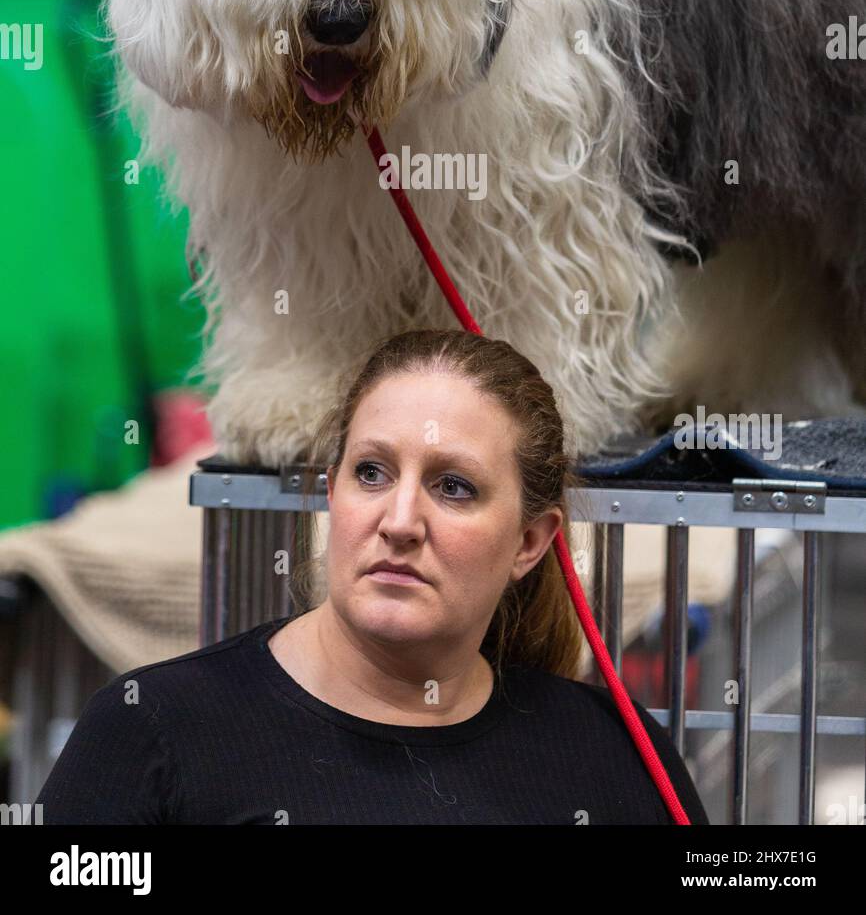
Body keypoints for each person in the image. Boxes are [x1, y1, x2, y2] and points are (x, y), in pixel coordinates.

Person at [37, 329, 710, 825]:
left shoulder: (608, 755)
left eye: (453, 486)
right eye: (372, 473)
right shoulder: (152, 732)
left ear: (530, 543)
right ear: (332, 494)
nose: (400, 520)